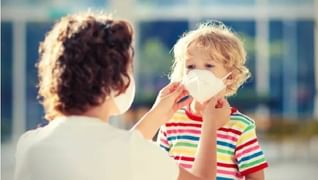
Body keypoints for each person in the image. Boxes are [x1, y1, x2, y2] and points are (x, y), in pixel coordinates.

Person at [14, 11, 225, 180]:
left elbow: (107, 152)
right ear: (118, 81)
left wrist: (156, 116)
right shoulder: (136, 154)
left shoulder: (29, 146)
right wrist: (210, 123)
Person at [157, 22, 269, 180]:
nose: (198, 73)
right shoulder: (171, 120)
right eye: (191, 66)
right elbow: (159, 170)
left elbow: (256, 177)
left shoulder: (241, 126)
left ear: (230, 76)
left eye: (209, 65)